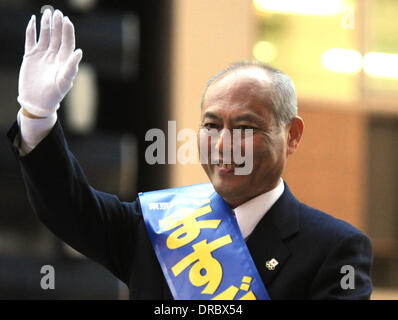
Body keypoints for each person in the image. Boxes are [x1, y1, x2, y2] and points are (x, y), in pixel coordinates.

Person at [7, 9, 372, 299]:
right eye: (211, 126)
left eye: (245, 128)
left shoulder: (334, 249)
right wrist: (38, 117)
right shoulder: (156, 227)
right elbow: (68, 208)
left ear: (292, 135)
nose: (224, 143)